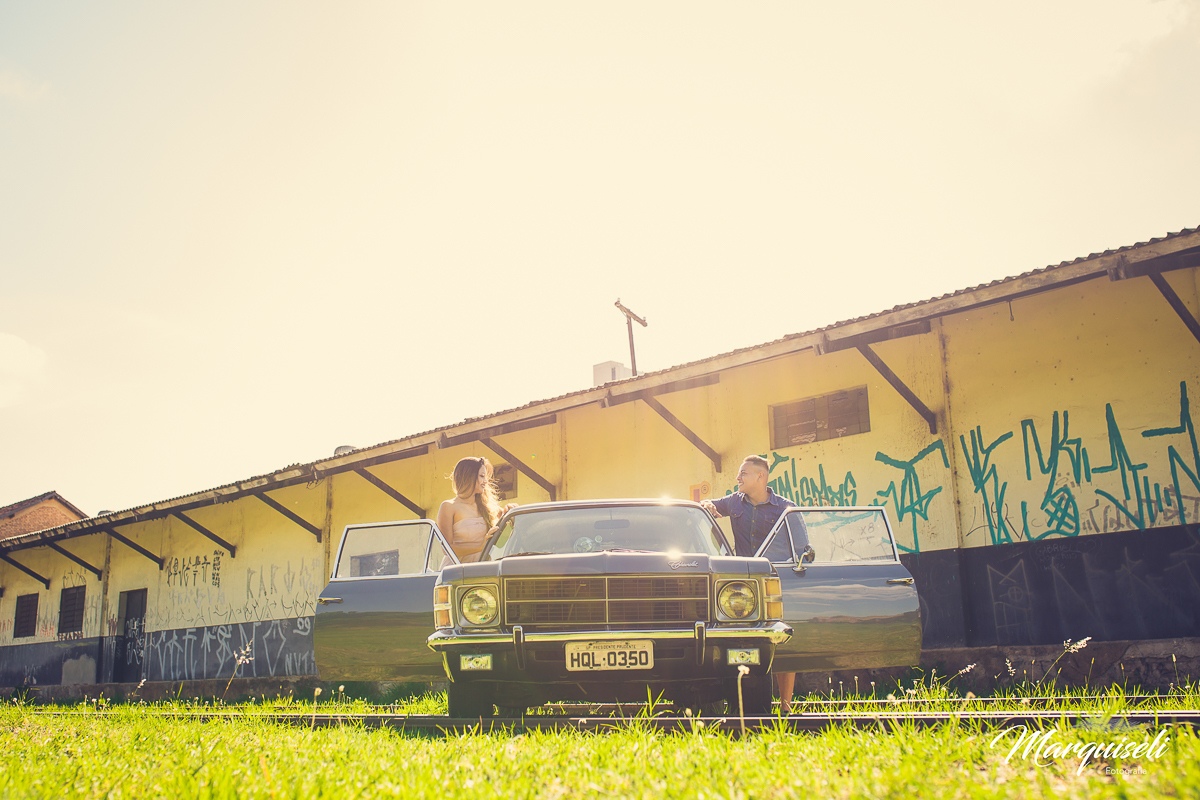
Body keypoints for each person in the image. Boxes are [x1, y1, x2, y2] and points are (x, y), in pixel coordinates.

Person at [700, 454, 798, 714]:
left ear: (760, 477)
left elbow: (802, 547)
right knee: (744, 643)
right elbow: (708, 505)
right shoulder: (734, 501)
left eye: (743, 473)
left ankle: (786, 707)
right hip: (742, 587)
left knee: (781, 640)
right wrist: (708, 505)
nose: (737, 478)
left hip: (776, 582)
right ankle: (743, 707)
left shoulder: (786, 508)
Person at [436, 457, 516, 563]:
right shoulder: (448, 506)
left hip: (482, 569)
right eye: (482, 476)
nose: (486, 481)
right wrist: (480, 546)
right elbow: (446, 548)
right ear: (469, 476)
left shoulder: (489, 507)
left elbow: (500, 544)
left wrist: (509, 513)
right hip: (457, 571)